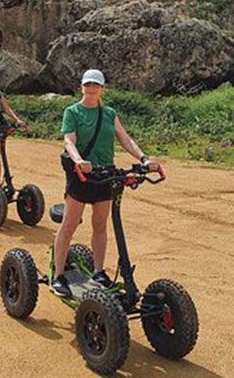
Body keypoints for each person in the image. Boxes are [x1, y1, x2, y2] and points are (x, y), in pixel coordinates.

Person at [49, 69, 157, 298]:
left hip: (105, 174)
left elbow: (125, 138)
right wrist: (78, 159)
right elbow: (69, 140)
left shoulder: (109, 113)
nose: (91, 89)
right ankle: (58, 276)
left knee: (100, 225)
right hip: (82, 175)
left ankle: (98, 272)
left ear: (102, 89)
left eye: (95, 86)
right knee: (69, 226)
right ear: (81, 87)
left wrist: (144, 159)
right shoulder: (73, 111)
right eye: (87, 85)